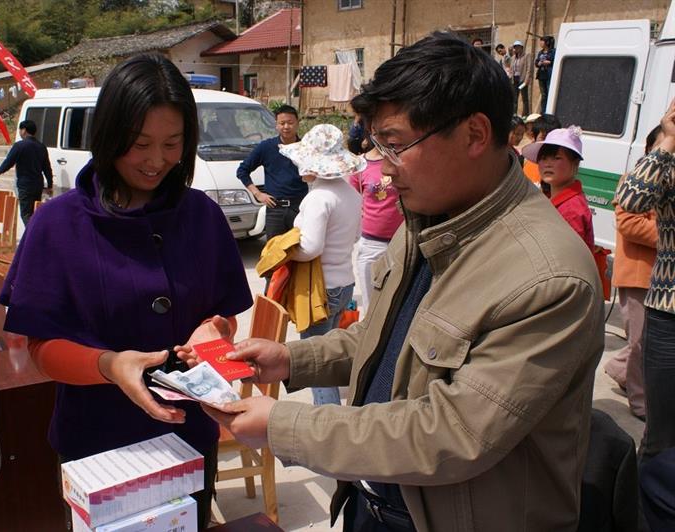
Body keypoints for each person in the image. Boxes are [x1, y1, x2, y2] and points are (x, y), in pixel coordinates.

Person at [207, 32, 603, 532]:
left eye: (395, 147)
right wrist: (291, 359)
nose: (385, 172)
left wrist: (283, 424)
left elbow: (454, 432)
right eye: (378, 148)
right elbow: (388, 336)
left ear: (475, 135)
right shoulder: (429, 219)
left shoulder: (548, 277)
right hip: (375, 502)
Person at [0, 53, 253, 528]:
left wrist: (211, 335)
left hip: (186, 435)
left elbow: (223, 317)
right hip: (96, 443)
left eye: (173, 143)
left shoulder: (201, 215)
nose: (157, 161)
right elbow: (41, 348)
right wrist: (110, 366)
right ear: (110, 136)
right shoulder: (59, 223)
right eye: (139, 144)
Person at [617, 99, 675, 530]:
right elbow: (630, 199)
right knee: (661, 436)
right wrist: (669, 138)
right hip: (670, 313)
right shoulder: (669, 159)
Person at [278, 124, 364, 406]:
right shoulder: (351, 195)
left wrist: (285, 251)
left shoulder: (318, 198)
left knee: (315, 362)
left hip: (319, 291)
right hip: (343, 284)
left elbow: (311, 247)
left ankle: (326, 419)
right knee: (330, 355)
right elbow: (354, 237)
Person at [604, 125, 662, 420]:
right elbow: (629, 224)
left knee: (648, 340)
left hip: (663, 279)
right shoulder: (634, 181)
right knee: (641, 342)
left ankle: (618, 369)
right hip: (638, 274)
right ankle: (640, 404)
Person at [237, 104, 307, 240]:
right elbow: (242, 171)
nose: (286, 127)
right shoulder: (266, 147)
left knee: (300, 250)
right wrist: (258, 194)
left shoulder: (306, 147)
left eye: (290, 123)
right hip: (275, 209)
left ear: (298, 123)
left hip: (299, 208)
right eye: (282, 123)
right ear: (276, 125)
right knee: (275, 254)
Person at [349, 146, 403, 310]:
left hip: (401, 241)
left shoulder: (402, 161)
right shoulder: (360, 165)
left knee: (397, 304)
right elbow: (353, 200)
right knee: (370, 305)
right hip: (371, 244)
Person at [523, 126, 593, 249]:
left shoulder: (571, 209)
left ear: (575, 163)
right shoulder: (555, 199)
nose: (548, 164)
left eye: (556, 158)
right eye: (543, 158)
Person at [0, 119, 53, 225]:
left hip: (25, 185)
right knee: (35, 212)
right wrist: (49, 185)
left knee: (26, 214)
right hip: (38, 184)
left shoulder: (19, 145)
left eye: (20, 130)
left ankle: (33, 237)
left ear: (24, 130)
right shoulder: (41, 146)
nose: (20, 132)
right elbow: (47, 167)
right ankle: (35, 234)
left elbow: (9, 161)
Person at [523, 113, 562, 187]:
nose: (548, 142)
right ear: (533, 137)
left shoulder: (560, 168)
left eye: (552, 138)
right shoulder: (522, 160)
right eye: (544, 138)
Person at [535, 36, 556, 113]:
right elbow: (536, 63)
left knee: (550, 93)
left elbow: (557, 61)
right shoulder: (540, 52)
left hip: (549, 75)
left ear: (547, 42)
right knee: (543, 95)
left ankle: (549, 111)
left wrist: (549, 62)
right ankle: (543, 112)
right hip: (541, 75)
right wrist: (539, 63)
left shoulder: (553, 51)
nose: (540, 43)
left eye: (542, 41)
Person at [511, 40, 531, 116]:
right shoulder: (513, 58)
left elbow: (529, 69)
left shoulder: (526, 56)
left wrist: (526, 80)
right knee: (515, 98)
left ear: (521, 48)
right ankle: (514, 114)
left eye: (518, 47)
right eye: (515, 47)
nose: (516, 49)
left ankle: (525, 115)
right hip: (515, 79)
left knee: (524, 98)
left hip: (522, 79)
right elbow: (511, 69)